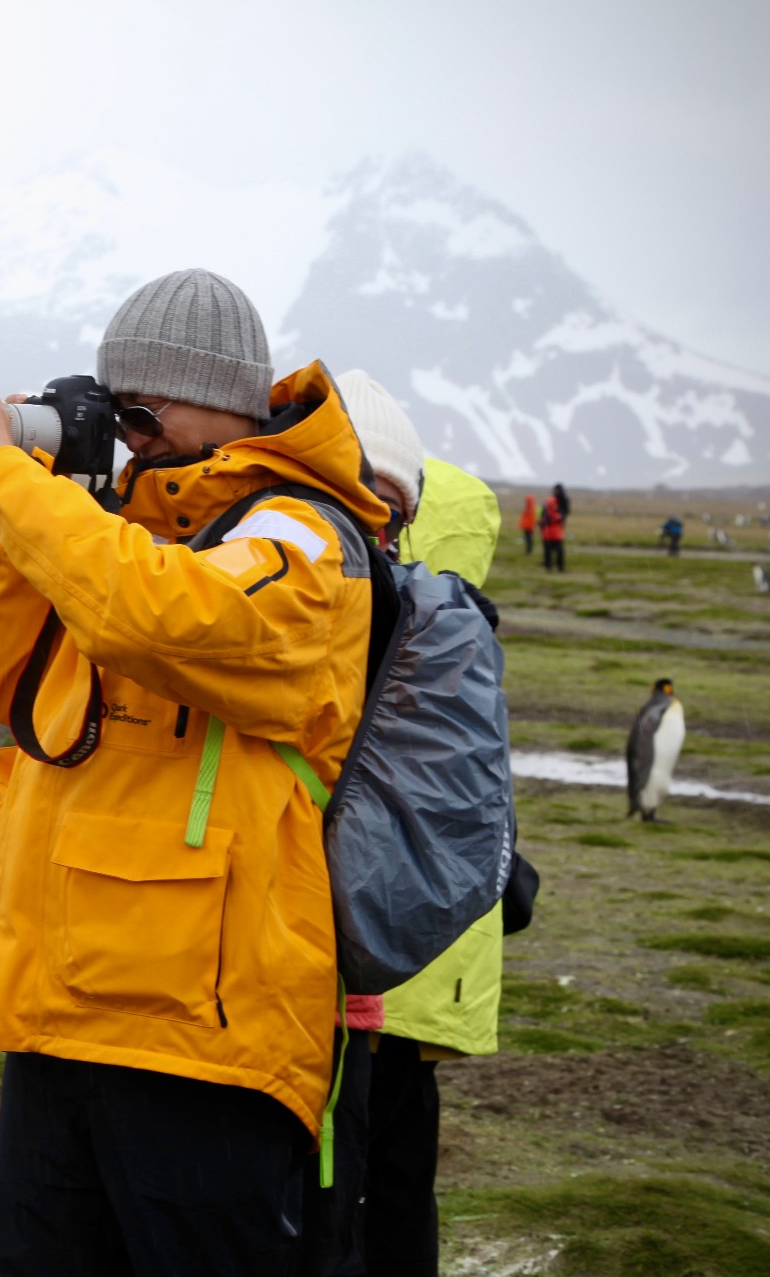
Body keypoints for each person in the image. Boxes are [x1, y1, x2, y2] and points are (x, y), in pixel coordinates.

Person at [0, 268, 387, 1276]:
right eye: (115, 411)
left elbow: (166, 616)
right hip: (57, 1013)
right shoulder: (121, 533)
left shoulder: (299, 533)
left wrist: (7, 477)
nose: (128, 436)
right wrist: (38, 506)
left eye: (143, 411)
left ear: (225, 404)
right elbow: (3, 680)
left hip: (203, 1039)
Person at [300, 371, 513, 1277]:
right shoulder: (463, 637)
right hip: (436, 965)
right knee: (399, 1184)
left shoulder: (374, 613)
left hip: (352, 966)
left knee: (331, 1186)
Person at [539, 493, 566, 572]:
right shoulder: (547, 514)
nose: (555, 506)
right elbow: (542, 524)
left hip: (556, 536)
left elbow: (561, 523)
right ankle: (549, 566)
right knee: (548, 552)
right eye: (554, 504)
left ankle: (559, 567)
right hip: (549, 536)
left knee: (559, 552)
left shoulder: (558, 513)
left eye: (555, 504)